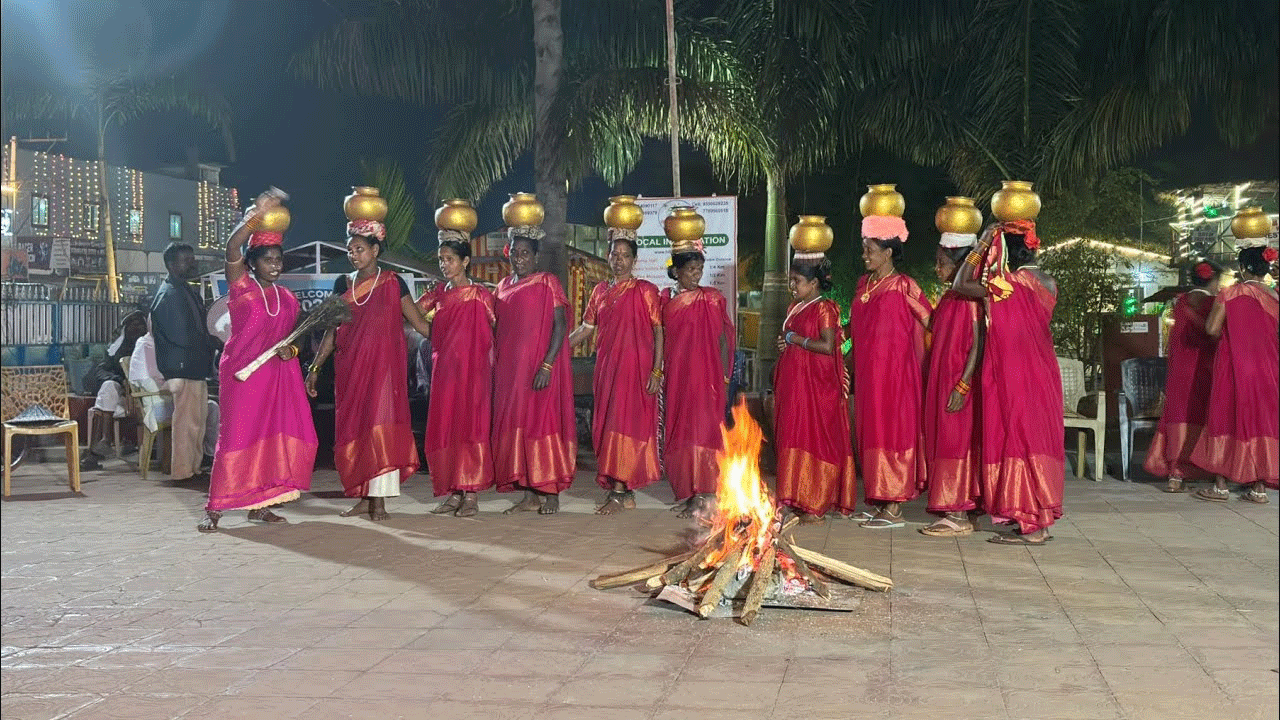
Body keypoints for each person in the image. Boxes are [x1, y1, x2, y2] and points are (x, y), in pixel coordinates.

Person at [198, 192, 317, 532]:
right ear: (253, 263)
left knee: (273, 438)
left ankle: (262, 505)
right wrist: (257, 216)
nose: (276, 265)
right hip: (243, 377)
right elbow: (231, 250)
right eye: (268, 260)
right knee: (236, 438)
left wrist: (290, 352)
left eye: (279, 260)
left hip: (277, 377)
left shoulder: (288, 298)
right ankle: (215, 508)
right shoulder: (242, 287)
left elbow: (295, 342)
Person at [305, 210, 432, 521]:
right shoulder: (342, 283)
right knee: (356, 430)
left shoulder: (393, 283)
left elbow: (417, 322)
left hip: (385, 373)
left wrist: (456, 335)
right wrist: (315, 368)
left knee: (381, 429)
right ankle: (363, 496)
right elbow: (332, 332)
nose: (353, 255)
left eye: (359, 249)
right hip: (350, 371)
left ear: (375, 250)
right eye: (350, 250)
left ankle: (379, 500)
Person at [955, 220, 1064, 545]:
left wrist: (982, 243)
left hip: (1016, 374)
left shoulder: (1007, 284)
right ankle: (1036, 517)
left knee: (1018, 440)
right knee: (1037, 440)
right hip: (1043, 371)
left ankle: (1033, 526)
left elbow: (961, 283)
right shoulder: (1048, 282)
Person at [568, 234, 663, 515]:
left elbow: (658, 330)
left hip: (636, 369)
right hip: (608, 368)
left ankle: (620, 491)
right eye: (614, 254)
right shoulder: (599, 291)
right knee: (608, 427)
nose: (618, 260)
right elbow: (586, 328)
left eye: (624, 255)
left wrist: (657, 370)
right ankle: (623, 490)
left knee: (627, 427)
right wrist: (559, 348)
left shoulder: (645, 290)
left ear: (634, 260)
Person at [847, 215, 932, 529]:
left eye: (870, 249)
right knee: (872, 433)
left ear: (889, 251)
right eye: (864, 248)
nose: (865, 255)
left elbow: (932, 322)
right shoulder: (863, 284)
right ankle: (881, 499)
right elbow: (855, 327)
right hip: (869, 377)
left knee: (893, 433)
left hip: (896, 377)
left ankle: (894, 506)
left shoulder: (904, 285)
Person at [492, 226, 577, 515]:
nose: (520, 258)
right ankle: (529, 494)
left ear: (536, 256)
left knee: (543, 425)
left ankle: (551, 492)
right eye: (515, 253)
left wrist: (548, 364)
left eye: (525, 253)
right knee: (521, 427)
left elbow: (561, 325)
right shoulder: (502, 286)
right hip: (511, 373)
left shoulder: (548, 282)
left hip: (540, 369)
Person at [1190, 246, 1279, 504]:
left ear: (1243, 268)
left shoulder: (1230, 294)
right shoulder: (1275, 296)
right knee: (1261, 422)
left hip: (1234, 365)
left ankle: (1221, 486)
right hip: (1268, 368)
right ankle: (1259, 488)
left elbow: (1212, 328)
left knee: (1224, 417)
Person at [416, 230, 495, 518]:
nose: (444, 264)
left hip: (474, 374)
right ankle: (452, 491)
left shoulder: (481, 294)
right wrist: (436, 338)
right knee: (446, 426)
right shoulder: (437, 293)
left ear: (465, 261)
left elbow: (498, 328)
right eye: (441, 259)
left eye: (450, 259)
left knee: (470, 427)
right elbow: (412, 315)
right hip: (445, 372)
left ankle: (470, 493)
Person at [773, 258, 856, 523]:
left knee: (815, 439)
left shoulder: (824, 308)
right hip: (795, 386)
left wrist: (795, 340)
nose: (792, 286)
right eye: (791, 280)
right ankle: (796, 498)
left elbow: (828, 346)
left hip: (817, 387)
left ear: (814, 282)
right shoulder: (794, 307)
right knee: (792, 436)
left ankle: (815, 502)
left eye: (797, 281)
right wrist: (785, 345)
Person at [660, 242, 734, 518]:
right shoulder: (665, 299)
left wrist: (725, 376)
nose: (696, 275)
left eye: (700, 269)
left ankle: (705, 495)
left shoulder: (712, 298)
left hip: (708, 379)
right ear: (677, 271)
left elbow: (723, 338)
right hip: (679, 376)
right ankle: (689, 492)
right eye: (691, 269)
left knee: (705, 433)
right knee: (681, 431)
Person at [920, 234, 986, 537]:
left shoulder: (971, 301)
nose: (937, 268)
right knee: (943, 441)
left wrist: (963, 385)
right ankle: (955, 509)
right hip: (940, 378)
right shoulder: (947, 299)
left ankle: (958, 513)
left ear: (960, 264)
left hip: (959, 383)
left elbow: (978, 343)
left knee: (955, 443)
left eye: (943, 262)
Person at [1143, 260, 1221, 493]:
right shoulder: (1215, 303)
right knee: (1203, 415)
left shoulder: (1180, 302)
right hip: (1205, 370)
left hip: (1180, 371)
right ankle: (1202, 467)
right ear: (1212, 280)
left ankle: (1175, 476)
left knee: (1178, 414)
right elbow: (1215, 335)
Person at [150, 242, 217, 483]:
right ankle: (183, 471)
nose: (191, 263)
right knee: (187, 423)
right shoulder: (170, 294)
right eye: (185, 260)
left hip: (192, 366)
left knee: (196, 422)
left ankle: (193, 468)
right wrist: (211, 342)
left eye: (192, 259)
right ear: (170, 264)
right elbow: (183, 335)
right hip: (183, 367)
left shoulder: (182, 290)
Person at [129, 327, 219, 468]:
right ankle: (207, 456)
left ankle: (202, 456)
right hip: (159, 408)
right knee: (211, 407)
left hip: (161, 402)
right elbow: (159, 378)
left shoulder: (149, 342)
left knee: (207, 405)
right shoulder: (148, 345)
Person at [81, 310, 148, 467]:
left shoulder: (150, 345)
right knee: (108, 387)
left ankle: (99, 446)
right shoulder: (117, 351)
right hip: (123, 398)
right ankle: (101, 444)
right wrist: (120, 380)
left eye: (139, 323)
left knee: (108, 393)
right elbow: (100, 371)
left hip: (147, 396)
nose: (136, 327)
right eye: (132, 324)